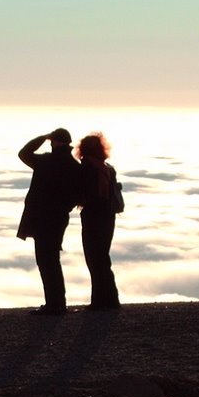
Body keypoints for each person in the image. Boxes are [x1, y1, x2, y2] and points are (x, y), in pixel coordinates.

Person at [17, 128, 82, 315]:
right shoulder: (73, 166)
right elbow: (77, 195)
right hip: (59, 218)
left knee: (46, 261)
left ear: (54, 142)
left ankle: (55, 304)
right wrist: (63, 207)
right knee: (52, 259)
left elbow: (23, 153)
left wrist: (41, 138)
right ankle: (57, 302)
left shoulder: (45, 162)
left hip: (41, 217)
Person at [76, 133, 121, 310]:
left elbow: (93, 195)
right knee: (102, 258)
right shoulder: (107, 168)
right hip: (108, 217)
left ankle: (101, 301)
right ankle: (109, 299)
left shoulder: (89, 168)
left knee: (95, 259)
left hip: (94, 216)